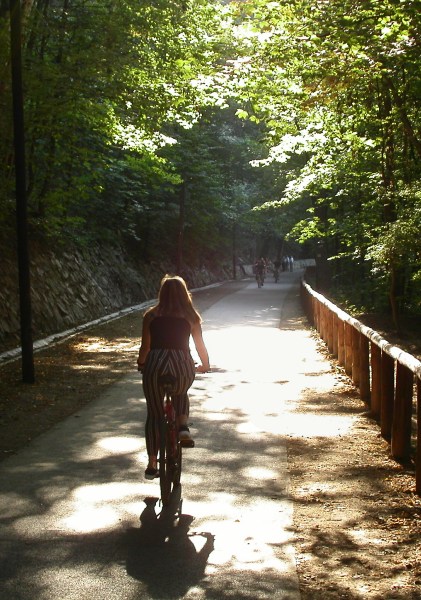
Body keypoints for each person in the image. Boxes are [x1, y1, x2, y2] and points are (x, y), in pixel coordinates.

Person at [137, 274, 210, 480]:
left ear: (162, 294)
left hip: (155, 365)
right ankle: (183, 427)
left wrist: (142, 364)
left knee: (154, 413)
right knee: (181, 391)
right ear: (184, 294)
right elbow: (199, 345)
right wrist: (205, 364)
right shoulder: (191, 316)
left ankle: (152, 462)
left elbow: (146, 347)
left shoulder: (151, 316)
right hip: (181, 364)